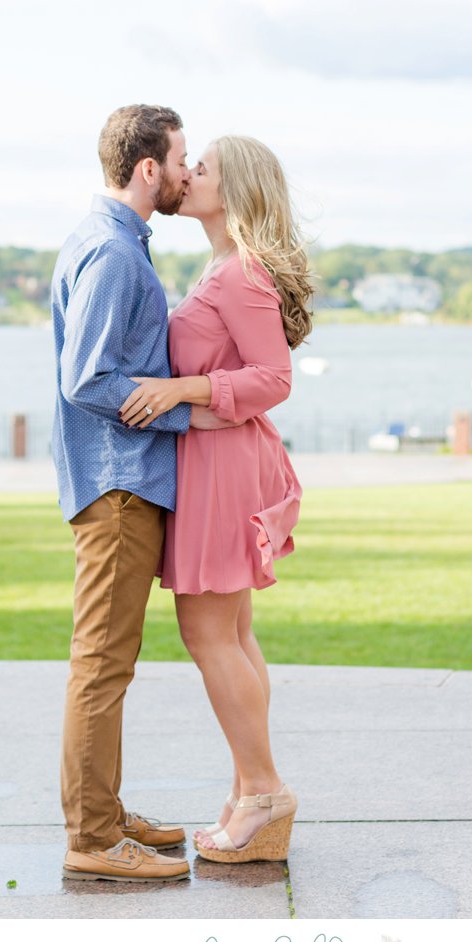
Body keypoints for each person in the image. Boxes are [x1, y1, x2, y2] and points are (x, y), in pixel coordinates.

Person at [50, 104, 236, 883]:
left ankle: (104, 809)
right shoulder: (115, 255)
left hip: (118, 481)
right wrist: (171, 402)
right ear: (146, 168)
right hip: (120, 485)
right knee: (102, 661)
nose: (188, 170)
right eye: (180, 157)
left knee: (107, 660)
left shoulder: (113, 241)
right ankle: (93, 837)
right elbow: (86, 377)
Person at [117, 135, 314, 863]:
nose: (185, 173)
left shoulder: (239, 276)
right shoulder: (225, 267)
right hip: (219, 458)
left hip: (224, 468)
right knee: (231, 634)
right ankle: (248, 794)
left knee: (209, 635)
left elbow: (273, 377)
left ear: (232, 191)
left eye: (200, 168)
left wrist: (182, 389)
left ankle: (263, 792)